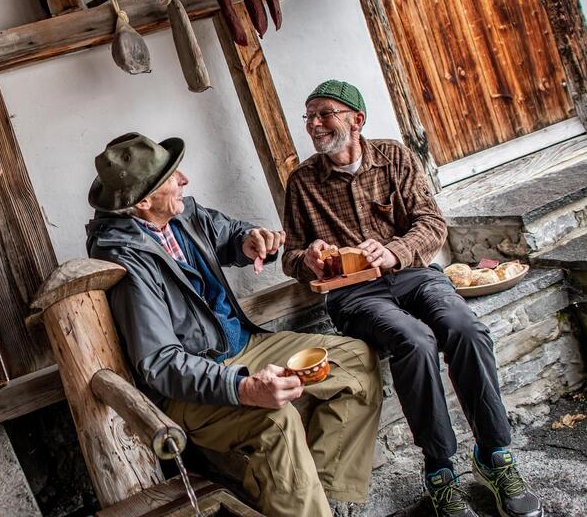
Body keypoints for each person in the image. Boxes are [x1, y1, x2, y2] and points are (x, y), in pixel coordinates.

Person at [281, 80, 544, 517]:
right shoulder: (302, 182)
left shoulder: (395, 157)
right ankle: (439, 469)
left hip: (414, 274)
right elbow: (290, 256)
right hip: (353, 293)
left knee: (466, 328)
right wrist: (308, 258)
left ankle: (494, 454)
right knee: (414, 340)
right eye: (309, 116)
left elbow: (431, 222)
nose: (313, 124)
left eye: (324, 114)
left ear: (356, 120)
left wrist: (395, 251)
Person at [85, 132, 383, 517]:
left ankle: (319, 499)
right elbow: (161, 363)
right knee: (275, 420)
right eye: (172, 177)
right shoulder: (127, 262)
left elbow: (228, 235)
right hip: (193, 385)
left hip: (245, 345)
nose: (185, 179)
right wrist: (242, 387)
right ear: (143, 202)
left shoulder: (182, 214)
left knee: (357, 361)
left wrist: (251, 241)